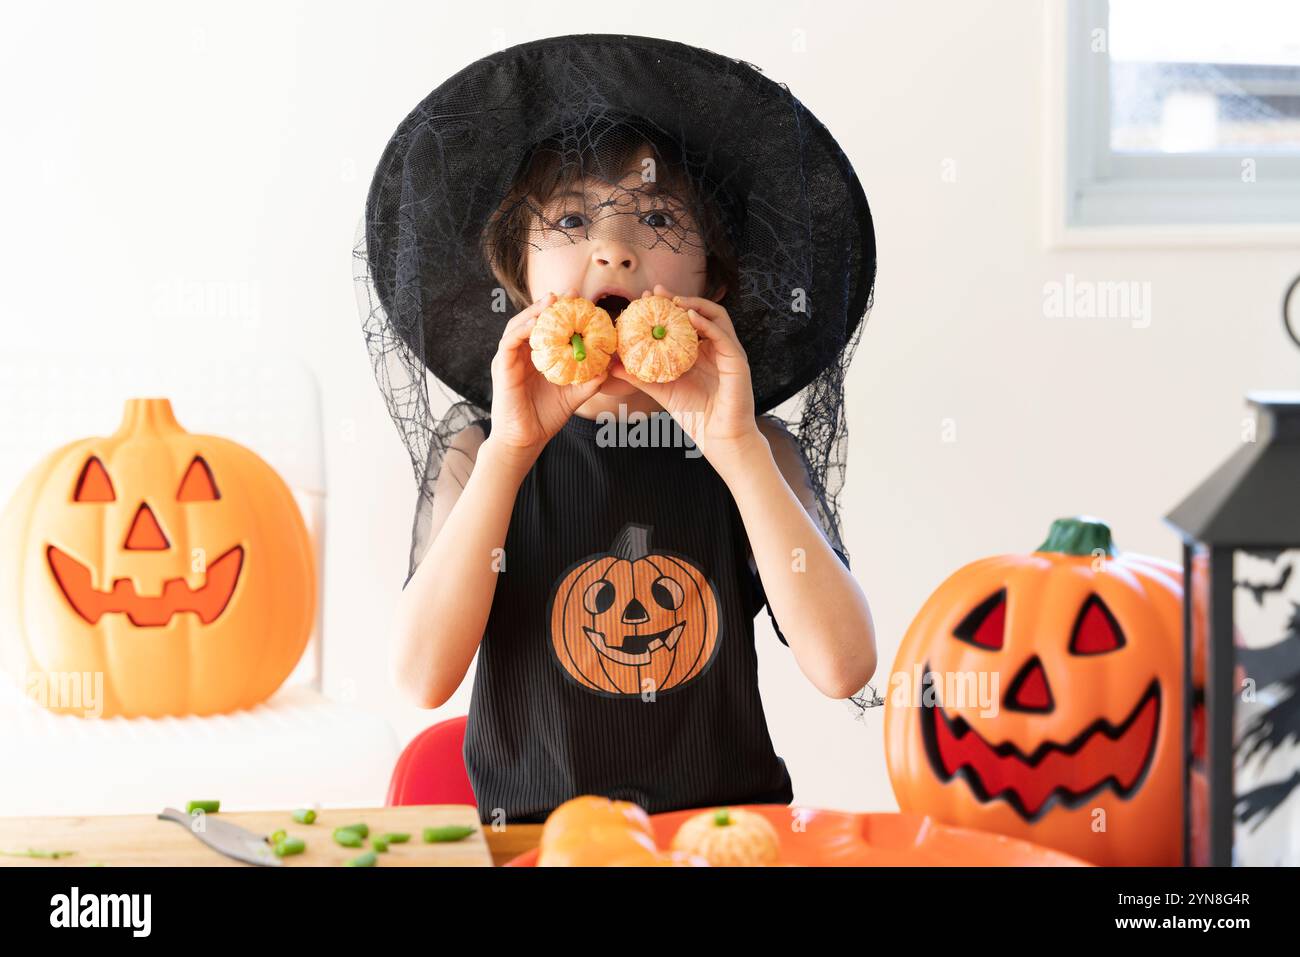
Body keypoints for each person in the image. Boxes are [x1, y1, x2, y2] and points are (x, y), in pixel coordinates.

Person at [357, 34, 879, 824]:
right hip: (538, 842)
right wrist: (510, 452)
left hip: (721, 839)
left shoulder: (754, 447)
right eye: (570, 218)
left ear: (714, 280)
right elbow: (423, 676)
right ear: (520, 275)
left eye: (660, 217)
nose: (614, 249)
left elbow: (844, 665)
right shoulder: (478, 447)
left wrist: (734, 449)